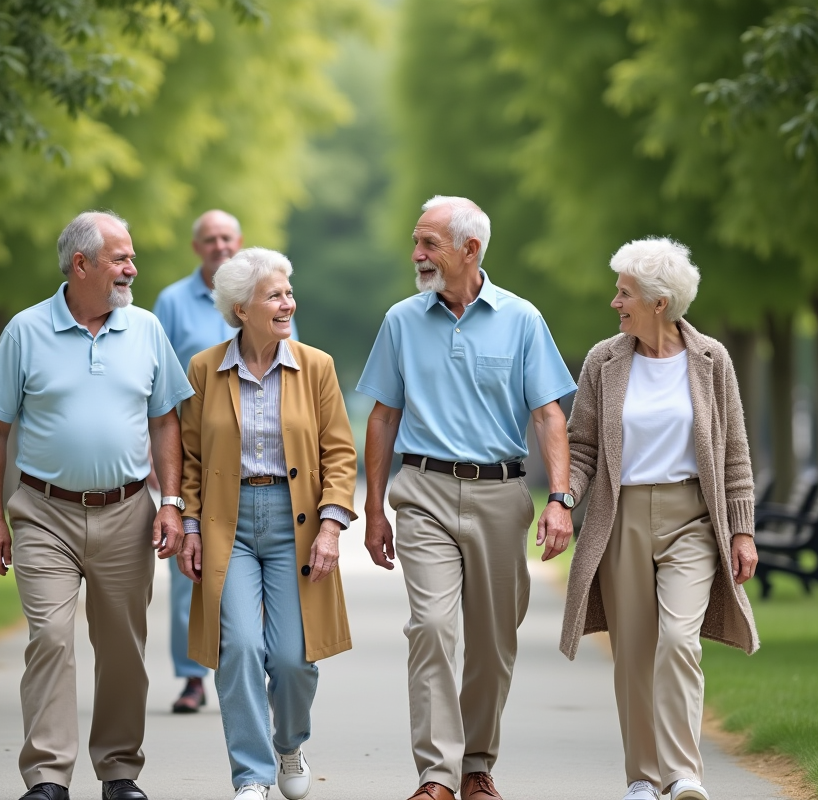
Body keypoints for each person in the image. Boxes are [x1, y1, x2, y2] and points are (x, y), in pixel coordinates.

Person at [357, 196, 577, 800]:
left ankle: (477, 763)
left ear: (470, 250)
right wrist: (374, 508)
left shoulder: (522, 319)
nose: (417, 254)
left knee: (493, 640)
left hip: (501, 494)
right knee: (430, 626)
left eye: (429, 243)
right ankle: (436, 775)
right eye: (417, 241)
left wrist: (560, 498)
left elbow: (549, 415)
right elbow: (382, 417)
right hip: (423, 491)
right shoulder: (401, 320)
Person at [0, 210, 193, 800]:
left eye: (131, 257)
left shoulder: (145, 328)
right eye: (121, 258)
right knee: (51, 638)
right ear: (81, 265)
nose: (131, 268)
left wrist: (171, 502)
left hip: (128, 512)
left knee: (123, 649)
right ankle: (46, 777)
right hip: (44, 513)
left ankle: (119, 771)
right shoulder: (25, 330)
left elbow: (166, 420)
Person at [558, 237, 760, 800]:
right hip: (621, 517)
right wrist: (564, 499)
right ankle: (643, 778)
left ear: (658, 302)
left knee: (678, 640)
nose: (614, 301)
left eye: (624, 293)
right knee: (633, 652)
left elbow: (735, 451)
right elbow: (583, 449)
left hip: (692, 518)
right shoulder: (605, 360)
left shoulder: (711, 359)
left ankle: (683, 773)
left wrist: (741, 530)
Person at [176, 247, 357, 800]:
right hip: (225, 523)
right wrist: (188, 525)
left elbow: (339, 455)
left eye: (288, 294)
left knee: (292, 659)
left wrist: (331, 526)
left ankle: (289, 743)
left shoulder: (316, 366)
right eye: (274, 295)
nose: (287, 304)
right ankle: (251, 775)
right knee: (240, 648)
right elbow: (189, 459)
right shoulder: (204, 369)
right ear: (240, 310)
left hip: (294, 524)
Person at [152, 209, 243, 713]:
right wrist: (155, 459)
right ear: (197, 248)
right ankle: (191, 676)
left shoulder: (259, 291)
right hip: (191, 454)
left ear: (240, 241)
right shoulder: (170, 302)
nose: (219, 246)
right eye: (209, 239)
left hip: (254, 454)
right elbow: (156, 383)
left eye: (226, 237)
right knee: (189, 562)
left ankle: (250, 661)